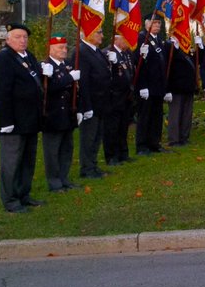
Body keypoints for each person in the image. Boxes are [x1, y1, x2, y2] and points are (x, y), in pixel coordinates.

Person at [0, 23, 45, 213]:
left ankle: (23, 194)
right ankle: (11, 200)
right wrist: (5, 121)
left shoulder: (28, 56)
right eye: (18, 37)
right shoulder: (4, 59)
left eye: (25, 37)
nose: (22, 40)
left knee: (27, 161)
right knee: (11, 162)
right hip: (13, 122)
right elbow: (0, 92)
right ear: (8, 39)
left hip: (30, 120)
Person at [40, 34, 82, 192]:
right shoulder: (46, 66)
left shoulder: (68, 65)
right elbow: (48, 89)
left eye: (65, 47)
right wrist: (69, 78)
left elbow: (76, 91)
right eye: (60, 48)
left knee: (66, 149)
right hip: (53, 115)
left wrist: (79, 109)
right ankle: (54, 182)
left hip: (68, 115)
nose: (64, 50)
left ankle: (64, 178)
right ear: (50, 49)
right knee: (52, 151)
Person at [71, 29, 109, 179]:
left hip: (101, 102)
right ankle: (86, 168)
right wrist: (85, 106)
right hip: (90, 103)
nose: (102, 35)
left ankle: (93, 164)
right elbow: (83, 82)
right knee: (89, 137)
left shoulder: (96, 51)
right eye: (98, 32)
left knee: (97, 136)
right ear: (87, 33)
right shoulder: (81, 52)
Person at [135, 19, 168, 155]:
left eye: (159, 24)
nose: (157, 26)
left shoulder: (158, 40)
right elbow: (138, 64)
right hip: (147, 86)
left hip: (158, 85)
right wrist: (142, 85)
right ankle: (142, 146)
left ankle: (155, 143)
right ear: (146, 24)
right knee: (145, 117)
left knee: (157, 116)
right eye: (154, 23)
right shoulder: (142, 38)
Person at [103, 33, 135, 167]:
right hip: (113, 97)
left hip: (126, 96)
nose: (128, 42)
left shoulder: (125, 53)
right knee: (112, 128)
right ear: (116, 39)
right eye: (125, 38)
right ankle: (111, 156)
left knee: (123, 126)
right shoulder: (107, 53)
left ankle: (123, 153)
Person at [165, 38, 197, 147]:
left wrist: (200, 47)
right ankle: (174, 139)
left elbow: (197, 60)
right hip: (176, 87)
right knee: (175, 114)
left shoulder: (187, 50)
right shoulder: (169, 48)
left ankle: (184, 137)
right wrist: (167, 89)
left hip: (188, 86)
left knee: (186, 114)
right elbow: (167, 68)